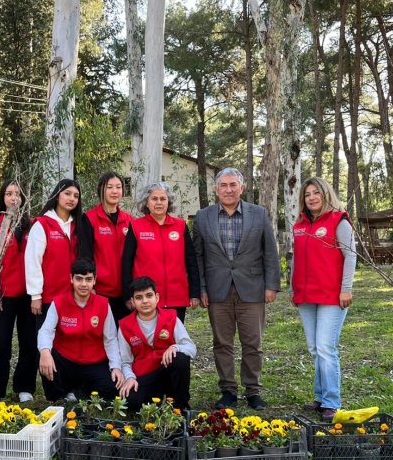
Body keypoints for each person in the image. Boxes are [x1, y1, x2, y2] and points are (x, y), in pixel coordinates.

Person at [192, 168, 280, 411]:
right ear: (216, 189)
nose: (228, 190)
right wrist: (201, 289)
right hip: (217, 290)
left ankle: (253, 391)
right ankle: (228, 390)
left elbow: (270, 252)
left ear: (242, 188)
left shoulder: (259, 214)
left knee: (253, 343)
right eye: (223, 185)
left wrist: (271, 285)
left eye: (233, 185)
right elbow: (198, 257)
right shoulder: (203, 217)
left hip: (252, 289)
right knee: (222, 343)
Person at [292, 177, 357, 423]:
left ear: (325, 194)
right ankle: (320, 397)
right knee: (315, 348)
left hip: (332, 295)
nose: (311, 198)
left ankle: (332, 402)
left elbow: (350, 256)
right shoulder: (299, 225)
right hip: (306, 296)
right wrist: (294, 289)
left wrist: (346, 289)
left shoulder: (339, 220)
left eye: (316, 193)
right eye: (307, 194)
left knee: (326, 348)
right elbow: (296, 259)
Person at [37, 257, 125, 403]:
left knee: (112, 390)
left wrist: (116, 367)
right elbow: (45, 331)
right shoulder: (59, 302)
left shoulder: (103, 304)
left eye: (88, 279)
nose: (84, 284)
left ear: (94, 280)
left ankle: (80, 390)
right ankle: (57, 398)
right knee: (45, 354)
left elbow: (110, 339)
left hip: (94, 362)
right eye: (79, 279)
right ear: (71, 279)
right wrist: (45, 352)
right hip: (66, 360)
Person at [0, 180, 38, 408]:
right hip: (3, 296)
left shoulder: (33, 225)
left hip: (29, 294)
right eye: (9, 194)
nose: (13, 198)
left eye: (18, 194)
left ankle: (24, 387)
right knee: (1, 344)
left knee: (30, 343)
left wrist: (37, 293)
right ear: (2, 198)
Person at [121, 182, 200, 322]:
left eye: (163, 199)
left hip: (177, 297)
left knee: (173, 335)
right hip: (145, 298)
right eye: (154, 199)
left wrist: (195, 293)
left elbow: (191, 262)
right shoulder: (136, 226)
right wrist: (128, 296)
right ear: (146, 202)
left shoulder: (180, 225)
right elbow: (126, 264)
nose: (159, 202)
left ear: (169, 202)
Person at [118, 276, 196, 411]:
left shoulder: (171, 317)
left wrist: (175, 347)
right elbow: (125, 361)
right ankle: (156, 400)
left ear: (157, 297)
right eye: (139, 297)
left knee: (180, 359)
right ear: (133, 301)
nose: (145, 301)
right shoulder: (125, 326)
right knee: (130, 401)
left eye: (149, 296)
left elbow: (191, 348)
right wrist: (129, 377)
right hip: (145, 374)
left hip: (168, 370)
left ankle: (181, 406)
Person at [25, 178, 81, 325]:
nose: (72, 199)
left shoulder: (79, 225)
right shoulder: (42, 224)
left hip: (75, 296)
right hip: (49, 297)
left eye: (76, 196)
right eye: (67, 194)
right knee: (47, 337)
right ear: (57, 196)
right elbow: (33, 261)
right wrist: (35, 295)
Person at [78, 172, 132, 322]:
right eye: (110, 187)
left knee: (124, 333)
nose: (115, 191)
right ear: (101, 189)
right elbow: (85, 256)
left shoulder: (129, 220)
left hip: (125, 293)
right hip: (100, 291)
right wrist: (90, 287)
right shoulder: (89, 218)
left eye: (118, 187)